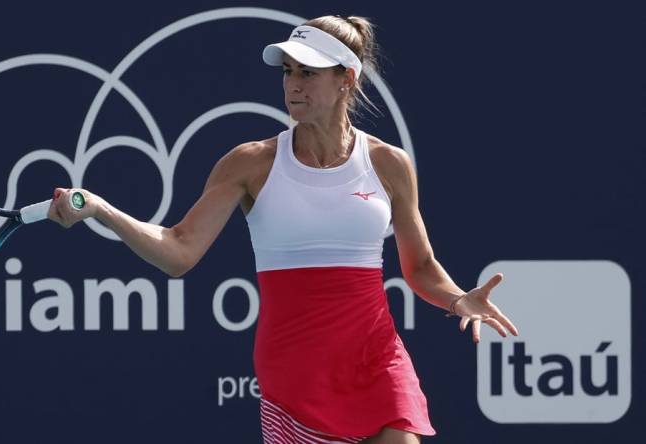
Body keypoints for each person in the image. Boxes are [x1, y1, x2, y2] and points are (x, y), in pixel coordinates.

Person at [49, 14, 519, 444]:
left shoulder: (389, 165)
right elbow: (179, 250)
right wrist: (101, 209)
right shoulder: (250, 163)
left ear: (345, 80)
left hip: (376, 357)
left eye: (308, 73)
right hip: (296, 372)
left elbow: (420, 266)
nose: (293, 85)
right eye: (288, 72)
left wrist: (457, 297)